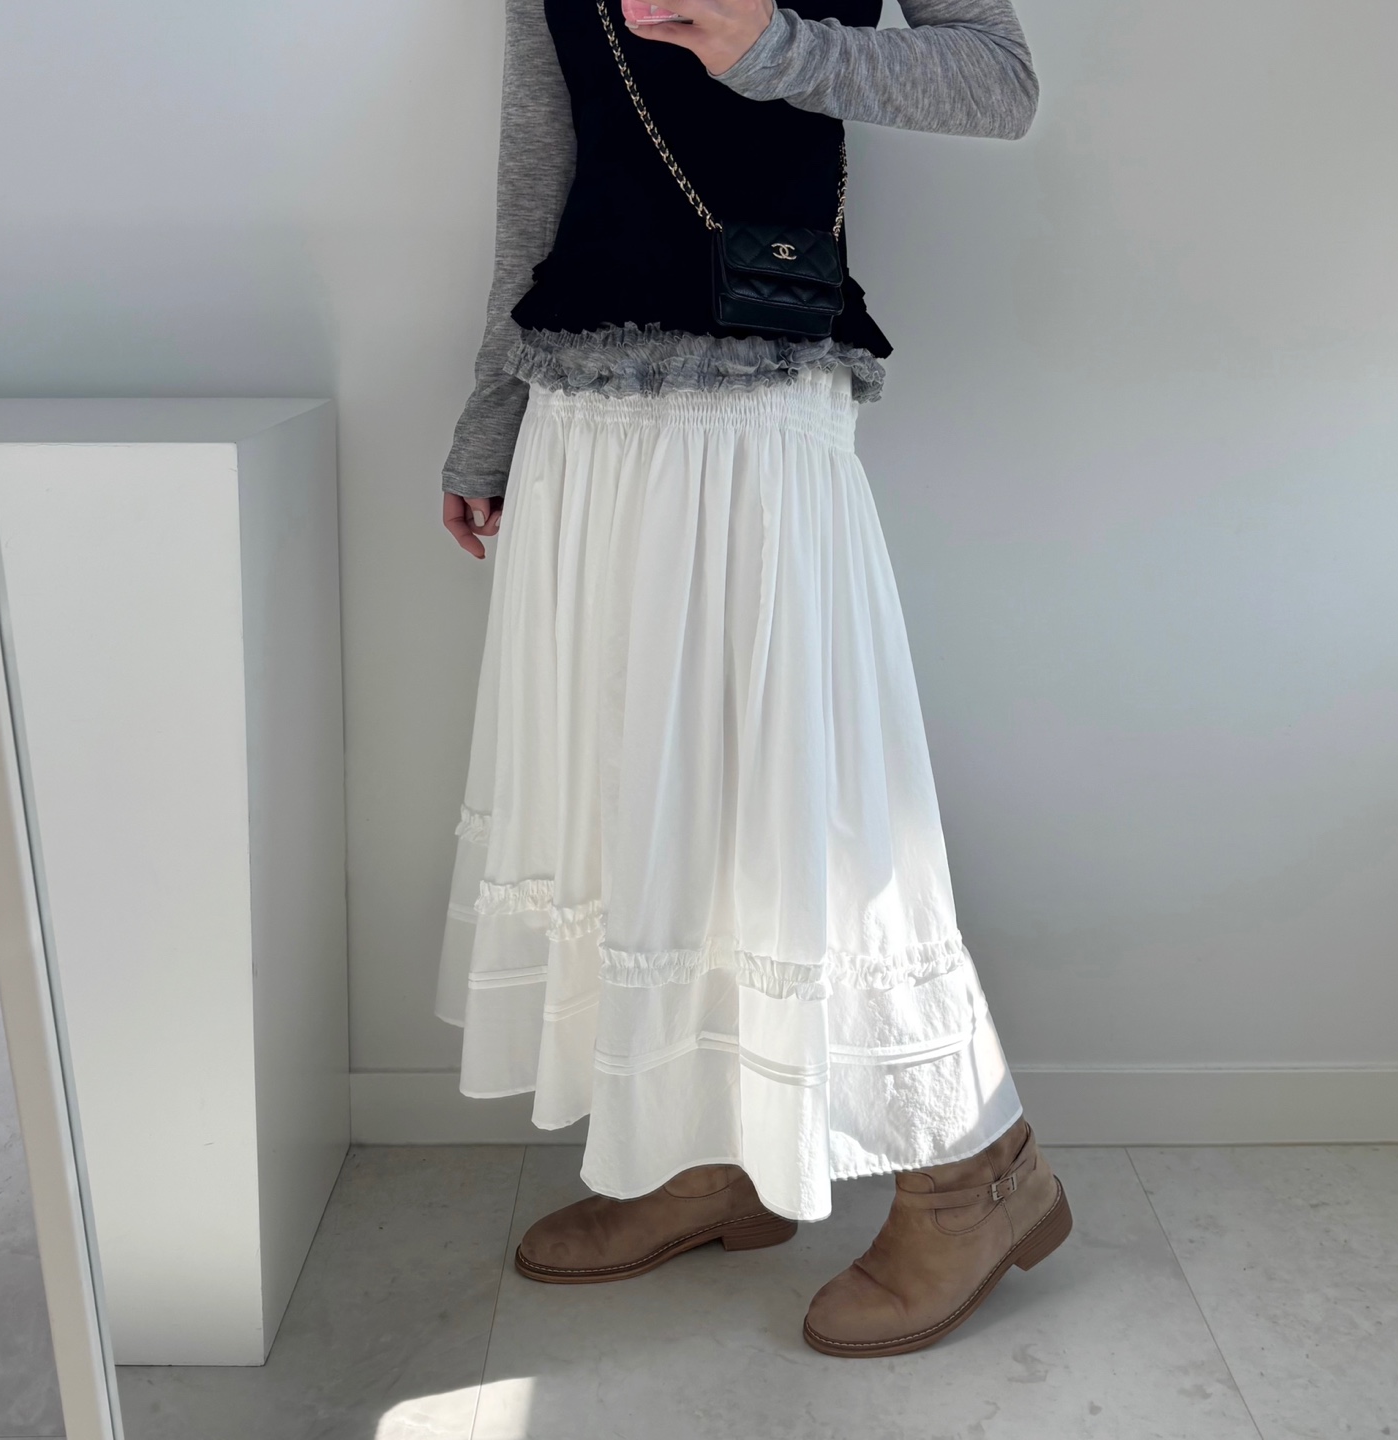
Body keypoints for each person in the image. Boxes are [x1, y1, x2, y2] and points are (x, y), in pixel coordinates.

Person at [436, 0, 1069, 1358]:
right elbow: (539, 166)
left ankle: (975, 1174)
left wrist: (772, 47)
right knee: (640, 804)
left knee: (812, 808)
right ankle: (705, 1149)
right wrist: (493, 413)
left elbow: (1000, 82)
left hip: (761, 406)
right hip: (582, 414)